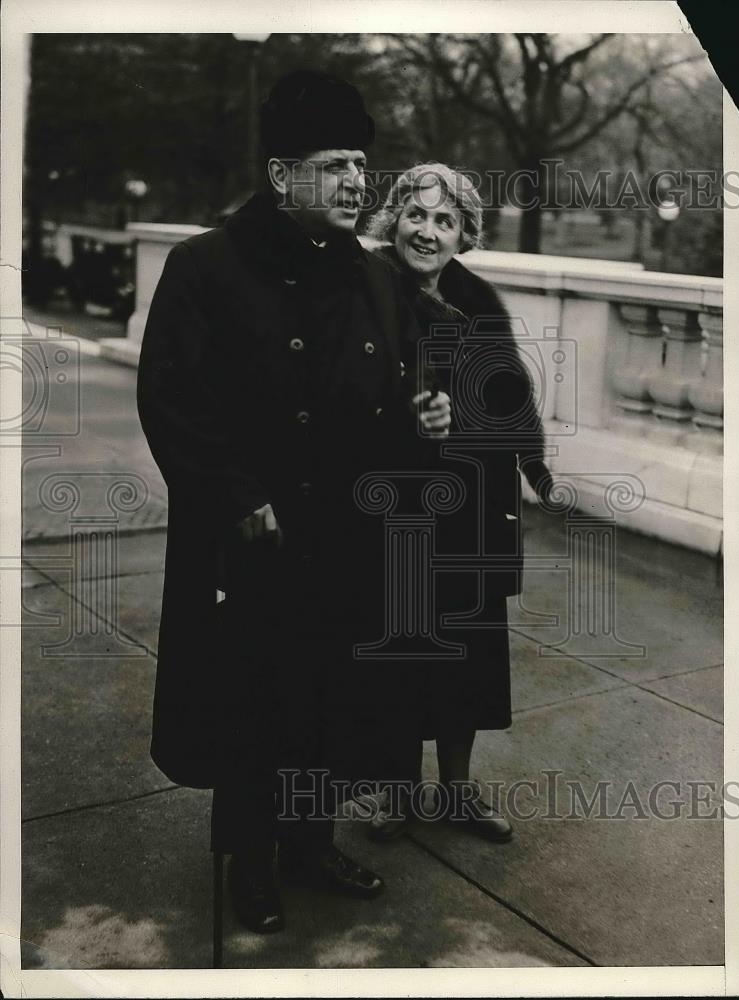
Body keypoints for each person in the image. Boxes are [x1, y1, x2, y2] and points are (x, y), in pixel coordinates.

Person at [136, 73, 451, 935]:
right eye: (337, 164)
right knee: (250, 703)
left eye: (362, 164)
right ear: (282, 177)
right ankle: (251, 861)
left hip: (344, 541)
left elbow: (390, 401)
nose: (359, 182)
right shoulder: (203, 268)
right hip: (253, 539)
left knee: (327, 700)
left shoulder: (378, 280)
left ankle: (310, 844)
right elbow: (171, 399)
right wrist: (236, 494)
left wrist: (423, 422)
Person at [364, 162, 553, 843]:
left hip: (469, 509)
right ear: (393, 220)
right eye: (416, 215)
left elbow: (509, 401)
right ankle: (394, 793)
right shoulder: (366, 291)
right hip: (391, 511)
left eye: (445, 221)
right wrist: (401, 418)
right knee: (395, 655)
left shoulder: (478, 304)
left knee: (466, 657)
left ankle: (458, 792)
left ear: (464, 233)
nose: (428, 230)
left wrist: (530, 464)